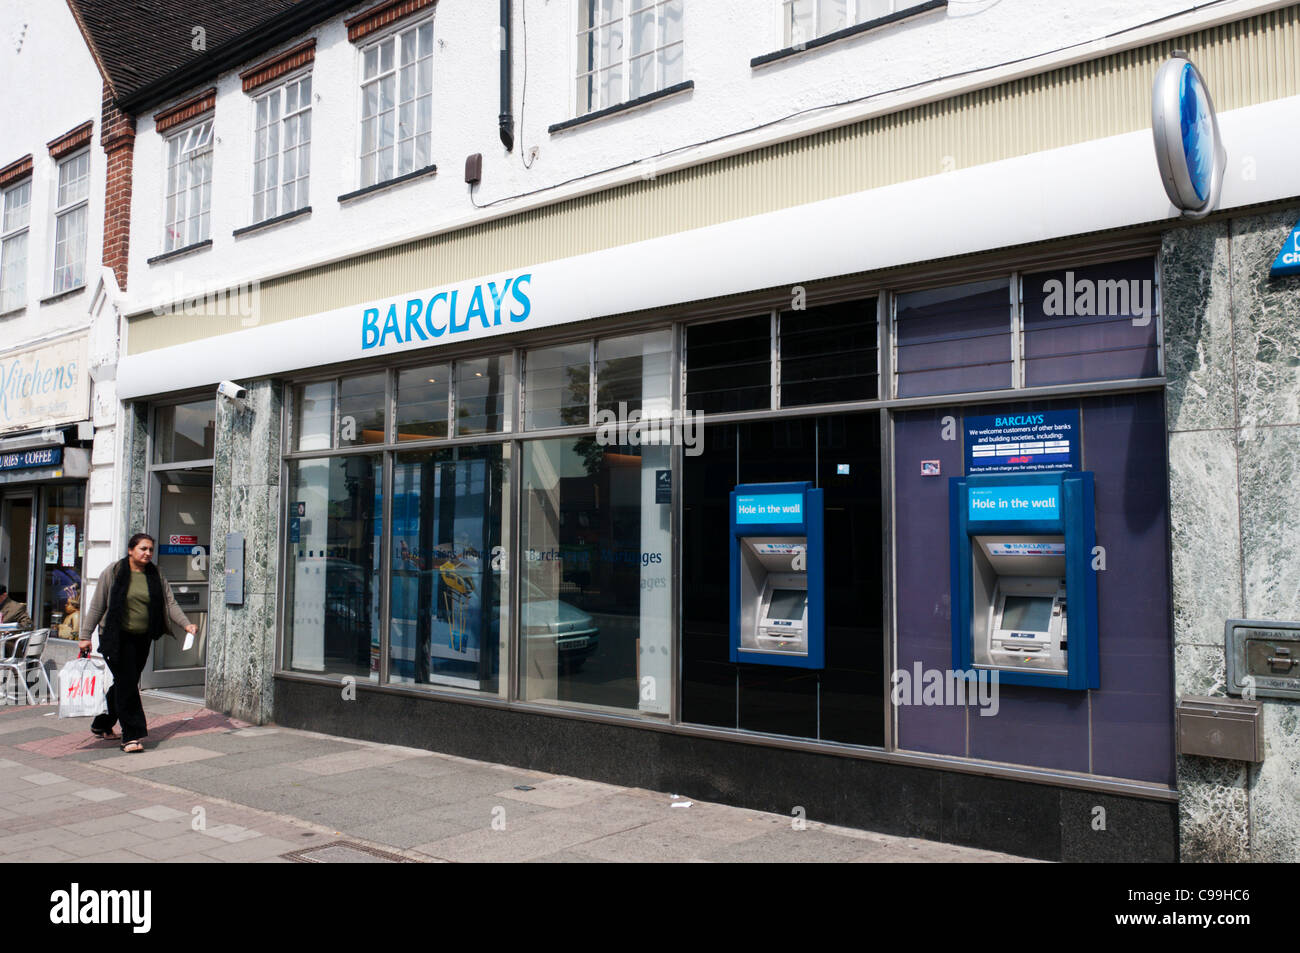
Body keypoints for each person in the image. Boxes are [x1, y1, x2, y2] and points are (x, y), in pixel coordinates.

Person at [78, 533, 197, 753]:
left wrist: (186, 625)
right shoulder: (114, 572)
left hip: (142, 638)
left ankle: (102, 724)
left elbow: (170, 603)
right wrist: (85, 636)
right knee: (128, 683)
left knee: (125, 682)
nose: (148, 553)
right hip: (115, 638)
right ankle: (131, 736)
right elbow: (97, 606)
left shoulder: (156, 573)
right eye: (143, 548)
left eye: (150, 549)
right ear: (131, 550)